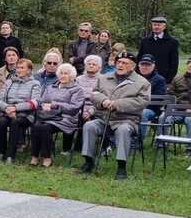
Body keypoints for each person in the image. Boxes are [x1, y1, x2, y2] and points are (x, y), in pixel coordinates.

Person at [79, 52, 150, 180]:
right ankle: (88, 161)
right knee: (89, 125)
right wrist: (103, 100)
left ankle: (121, 167)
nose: (120, 65)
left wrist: (118, 104)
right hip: (105, 118)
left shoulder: (142, 82)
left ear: (133, 66)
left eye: (124, 63)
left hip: (127, 120)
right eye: (118, 62)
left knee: (123, 130)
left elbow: (142, 101)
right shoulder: (104, 78)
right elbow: (94, 93)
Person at [30, 64, 84, 167]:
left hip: (66, 118)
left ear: (72, 76)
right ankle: (34, 156)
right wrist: (43, 105)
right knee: (36, 125)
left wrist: (54, 105)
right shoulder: (51, 87)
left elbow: (74, 108)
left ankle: (47, 158)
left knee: (45, 127)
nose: (63, 76)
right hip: (48, 116)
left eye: (66, 74)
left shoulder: (77, 90)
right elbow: (42, 101)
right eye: (61, 73)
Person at [0, 58, 41, 164]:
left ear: (29, 70)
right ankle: (2, 152)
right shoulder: (9, 82)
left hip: (25, 115)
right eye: (17, 68)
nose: (19, 70)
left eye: (22, 68)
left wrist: (16, 108)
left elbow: (35, 102)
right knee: (1, 122)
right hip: (7, 111)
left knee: (15, 122)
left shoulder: (35, 84)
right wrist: (7, 108)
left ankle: (11, 155)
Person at [137, 16, 180, 83]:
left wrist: (169, 80)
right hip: (144, 78)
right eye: (154, 25)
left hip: (164, 78)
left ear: (164, 27)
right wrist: (139, 75)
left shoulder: (172, 42)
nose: (156, 27)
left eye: (159, 25)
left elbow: (174, 63)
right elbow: (139, 59)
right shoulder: (144, 41)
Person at [163, 58, 191, 157]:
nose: (190, 65)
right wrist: (176, 106)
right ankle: (162, 145)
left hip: (190, 114)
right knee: (165, 117)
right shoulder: (177, 78)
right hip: (178, 110)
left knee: (189, 119)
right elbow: (170, 95)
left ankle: (189, 149)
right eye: (189, 63)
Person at [136, 54, 167, 143]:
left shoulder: (159, 80)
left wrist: (140, 104)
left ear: (153, 66)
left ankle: (139, 142)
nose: (145, 67)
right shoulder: (133, 78)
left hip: (151, 109)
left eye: (148, 65)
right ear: (139, 65)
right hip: (133, 106)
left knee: (143, 112)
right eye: (142, 64)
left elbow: (159, 99)